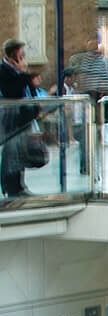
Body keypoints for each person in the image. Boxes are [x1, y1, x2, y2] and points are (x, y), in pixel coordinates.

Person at [0, 39, 34, 197]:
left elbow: (28, 90)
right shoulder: (3, 70)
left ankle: (20, 185)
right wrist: (24, 75)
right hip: (11, 118)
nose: (23, 57)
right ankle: (11, 187)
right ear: (12, 55)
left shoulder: (17, 71)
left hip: (22, 116)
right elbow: (11, 92)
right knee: (11, 152)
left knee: (20, 151)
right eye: (21, 54)